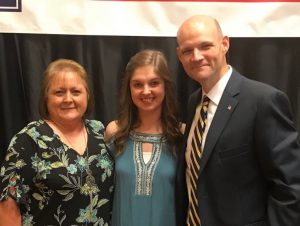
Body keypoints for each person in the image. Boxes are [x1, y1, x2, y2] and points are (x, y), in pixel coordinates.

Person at [176, 15, 300, 226]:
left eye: (205, 45)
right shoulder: (193, 103)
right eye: (187, 50)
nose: (196, 56)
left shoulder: (263, 101)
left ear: (225, 44)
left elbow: (289, 187)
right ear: (179, 55)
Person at [0, 59, 114, 226]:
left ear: (87, 95)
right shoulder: (29, 139)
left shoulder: (99, 131)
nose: (68, 99)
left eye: (76, 91)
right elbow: (7, 206)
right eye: (59, 92)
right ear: (46, 97)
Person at [105, 49, 184, 226]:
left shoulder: (181, 135)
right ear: (129, 88)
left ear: (166, 86)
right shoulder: (115, 132)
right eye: (138, 84)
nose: (146, 91)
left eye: (154, 83)